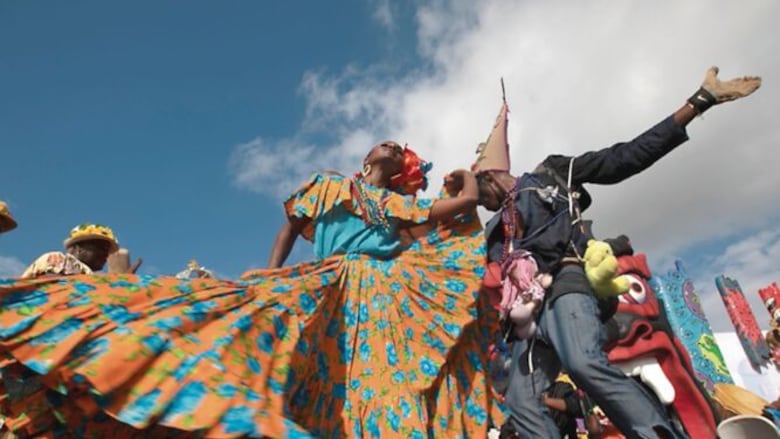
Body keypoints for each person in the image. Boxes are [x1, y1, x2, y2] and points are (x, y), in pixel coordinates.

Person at [0, 141, 495, 437]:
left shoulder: (392, 203)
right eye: (383, 143)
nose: (390, 147)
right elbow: (287, 231)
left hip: (380, 295)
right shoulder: (326, 185)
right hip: (328, 282)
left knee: (368, 380)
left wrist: (468, 187)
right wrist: (272, 270)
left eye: (397, 147)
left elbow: (442, 216)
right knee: (243, 324)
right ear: (366, 156)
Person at [472, 67, 761, 438]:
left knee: (580, 359)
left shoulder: (551, 174)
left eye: (483, 196)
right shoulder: (494, 231)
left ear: (491, 176)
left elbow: (626, 156)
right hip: (529, 315)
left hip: (566, 280)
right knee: (521, 398)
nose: (484, 206)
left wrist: (698, 103)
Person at [20, 223, 121, 278]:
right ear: (78, 248)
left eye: (107, 251)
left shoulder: (90, 275)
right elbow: (53, 289)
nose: (105, 254)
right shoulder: (59, 260)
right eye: (100, 248)